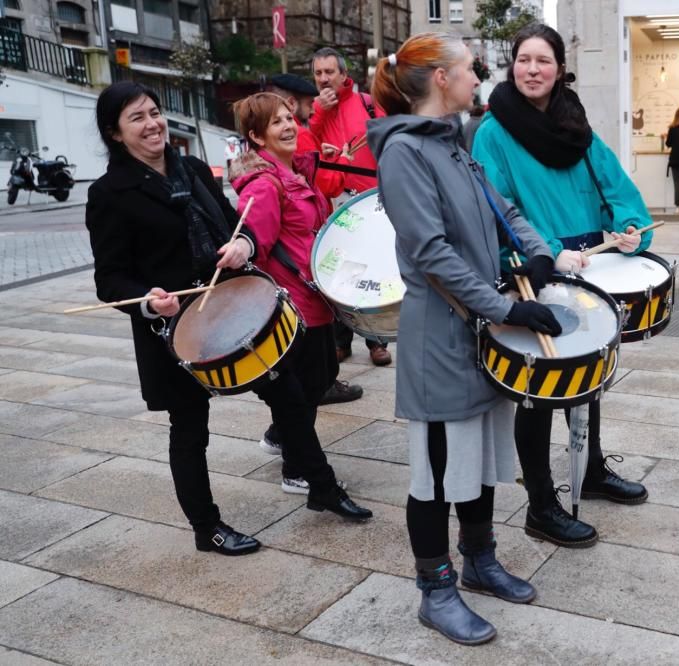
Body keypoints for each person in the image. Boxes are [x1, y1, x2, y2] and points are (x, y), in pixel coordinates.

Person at [85, 82, 369, 558]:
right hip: (173, 328)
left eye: (154, 112)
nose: (153, 123)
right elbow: (109, 279)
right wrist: (147, 301)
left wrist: (245, 246)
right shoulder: (109, 193)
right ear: (114, 133)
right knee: (190, 427)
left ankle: (321, 486)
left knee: (290, 396)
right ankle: (207, 526)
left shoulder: (191, 168)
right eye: (137, 118)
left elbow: (231, 224)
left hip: (233, 309)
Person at [368, 31, 560, 645]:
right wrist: (505, 306)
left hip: (479, 328)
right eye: (470, 70)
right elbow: (431, 255)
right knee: (436, 473)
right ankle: (436, 589)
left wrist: (536, 255)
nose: (479, 78)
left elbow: (504, 208)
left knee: (475, 463)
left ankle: (479, 560)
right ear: (441, 79)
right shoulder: (404, 152)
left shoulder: (455, 143)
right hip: (441, 338)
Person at [472, 23, 650, 549]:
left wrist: (627, 227)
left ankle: (590, 468)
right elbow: (496, 210)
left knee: (588, 372)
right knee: (538, 386)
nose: (532, 70)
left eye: (542, 61)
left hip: (588, 263)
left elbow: (616, 186)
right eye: (523, 60)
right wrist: (548, 250)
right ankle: (541, 504)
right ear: (512, 66)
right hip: (534, 266)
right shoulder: (492, 131)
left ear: (559, 68)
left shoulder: (575, 123)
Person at [222, 92, 373, 517]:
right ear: (256, 136)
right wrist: (242, 245)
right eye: (276, 123)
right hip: (293, 307)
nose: (289, 126)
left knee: (322, 377)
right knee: (304, 390)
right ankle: (297, 468)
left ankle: (281, 435)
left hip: (315, 298)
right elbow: (254, 230)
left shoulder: (296, 171)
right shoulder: (266, 184)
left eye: (290, 118)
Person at [266, 73, 365, 406]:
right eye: (306, 107)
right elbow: (329, 185)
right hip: (299, 280)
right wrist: (341, 161)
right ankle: (286, 436)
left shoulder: (298, 148)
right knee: (309, 373)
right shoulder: (276, 166)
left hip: (304, 275)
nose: (294, 124)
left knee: (315, 367)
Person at [310, 46, 392, 367]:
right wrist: (317, 112)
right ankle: (341, 339)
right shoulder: (315, 111)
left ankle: (376, 340)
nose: (324, 79)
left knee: (372, 268)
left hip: (370, 200)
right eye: (318, 73)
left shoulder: (367, 104)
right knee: (338, 272)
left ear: (344, 75)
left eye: (330, 71)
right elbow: (306, 146)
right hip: (333, 202)